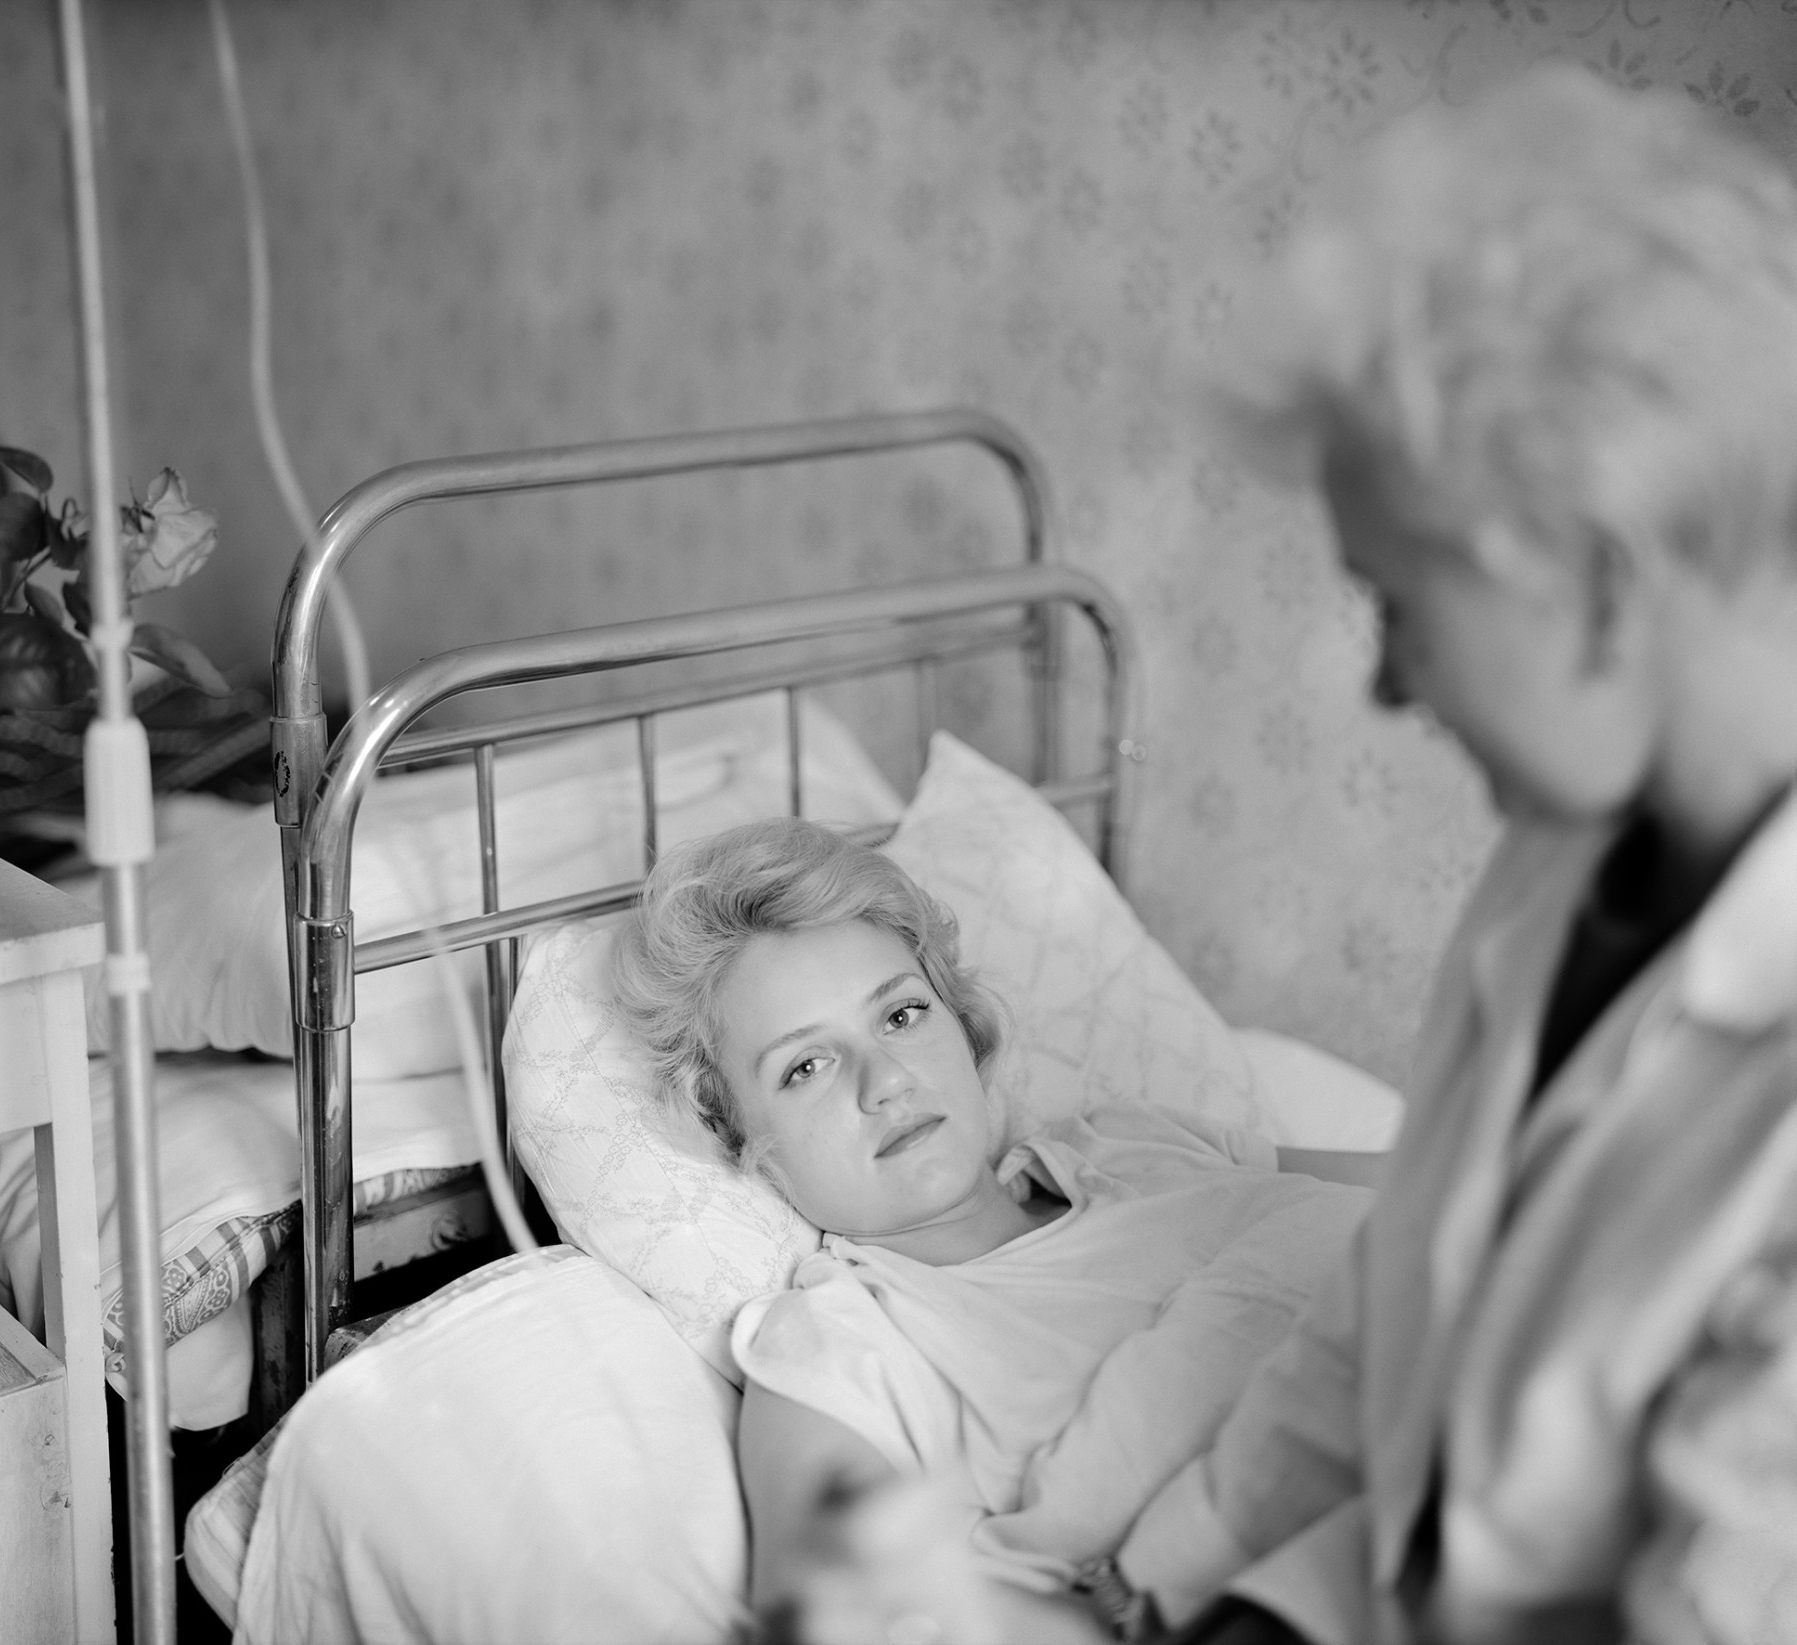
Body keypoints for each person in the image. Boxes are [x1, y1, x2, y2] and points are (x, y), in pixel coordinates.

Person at [1100, 65, 1797, 1645]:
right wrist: (1169, 1598)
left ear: (1598, 580)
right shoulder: (1566, 867)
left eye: (1396, 601)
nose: (1391, 686)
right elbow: (1395, 1313)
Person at [611, 817, 1373, 1641]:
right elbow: (834, 1611)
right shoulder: (840, 1346)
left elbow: (1462, 1198)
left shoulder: (1136, 1143)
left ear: (963, 1026)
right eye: (806, 1066)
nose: (887, 1080)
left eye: (901, 1015)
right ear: (745, 1147)